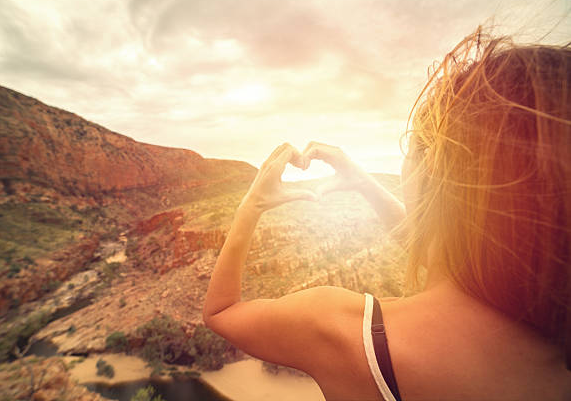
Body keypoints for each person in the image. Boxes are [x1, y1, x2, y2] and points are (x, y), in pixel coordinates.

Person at [202, 27, 571, 400]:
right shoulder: (549, 336)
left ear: (432, 167)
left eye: (411, 148)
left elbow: (222, 312)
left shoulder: (344, 330)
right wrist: (362, 181)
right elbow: (445, 254)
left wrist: (252, 205)